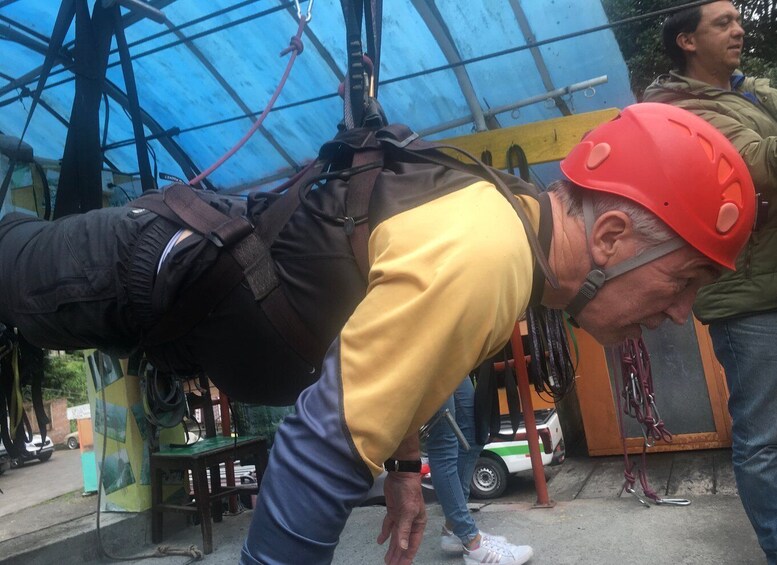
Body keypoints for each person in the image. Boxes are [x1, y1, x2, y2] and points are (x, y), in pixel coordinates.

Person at [0, 103, 756, 564]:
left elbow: (386, 331)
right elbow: (312, 455)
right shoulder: (488, 254)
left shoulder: (509, 230)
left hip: (158, 292)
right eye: (684, 280)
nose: (676, 311)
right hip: (131, 269)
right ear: (615, 234)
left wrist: (402, 467)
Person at [643, 3, 777, 562]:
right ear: (686, 41)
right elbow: (756, 169)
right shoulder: (679, 112)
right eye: (721, 22)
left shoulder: (752, 91)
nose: (739, 29)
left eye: (738, 18)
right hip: (748, 299)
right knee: (764, 439)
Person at [425, 378, 532, 564]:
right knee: (443, 442)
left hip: (449, 354)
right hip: (426, 356)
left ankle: (453, 528)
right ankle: (471, 541)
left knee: (475, 432)